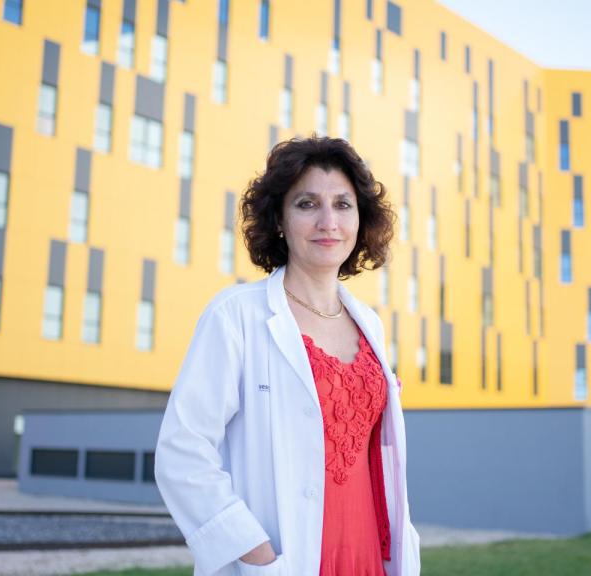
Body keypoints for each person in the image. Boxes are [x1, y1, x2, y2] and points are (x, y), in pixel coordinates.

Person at [155, 136, 420, 576]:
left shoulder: (369, 325)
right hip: (287, 558)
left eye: (342, 205)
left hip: (368, 555)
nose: (328, 221)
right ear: (278, 219)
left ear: (361, 219)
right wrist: (254, 551)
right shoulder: (235, 315)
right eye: (307, 204)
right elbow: (182, 450)